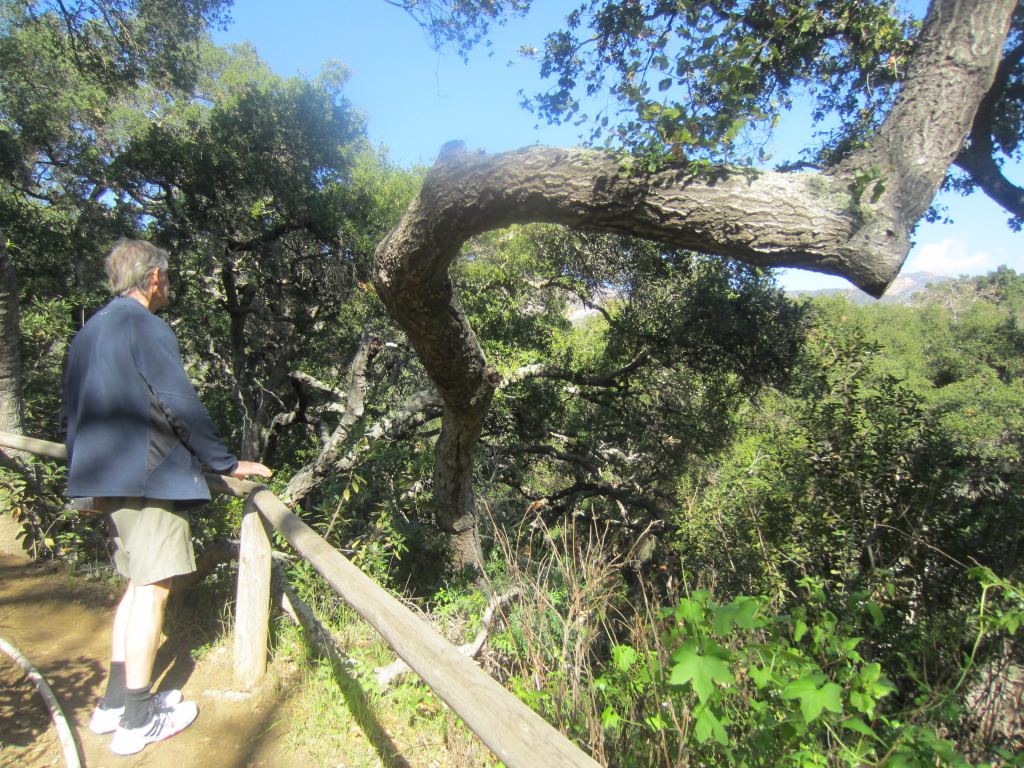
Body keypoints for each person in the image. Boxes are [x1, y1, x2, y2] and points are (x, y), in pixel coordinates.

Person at [59, 238, 272, 756]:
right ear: (153, 279)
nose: (169, 287)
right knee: (152, 592)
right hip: (148, 478)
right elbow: (176, 401)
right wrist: (225, 463)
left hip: (107, 479)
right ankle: (137, 719)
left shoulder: (88, 332)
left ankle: (113, 704)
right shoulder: (145, 326)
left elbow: (71, 415)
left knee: (135, 588)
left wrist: (84, 476)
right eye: (168, 279)